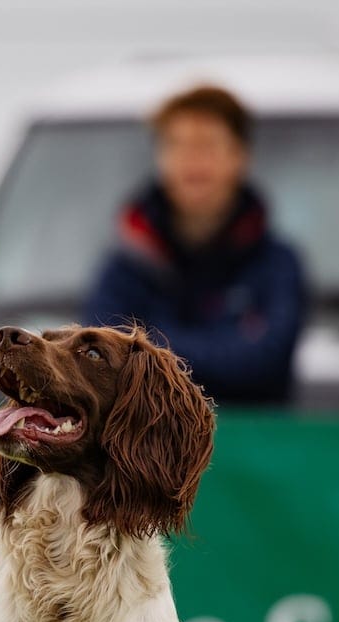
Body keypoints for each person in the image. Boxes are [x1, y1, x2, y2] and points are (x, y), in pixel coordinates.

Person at [83, 85, 307, 405]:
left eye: (207, 145)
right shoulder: (124, 267)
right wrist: (221, 349)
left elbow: (263, 365)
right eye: (178, 145)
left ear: (240, 156)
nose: (193, 160)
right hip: (146, 449)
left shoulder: (276, 265)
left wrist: (146, 348)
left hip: (259, 448)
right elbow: (99, 361)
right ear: (160, 158)